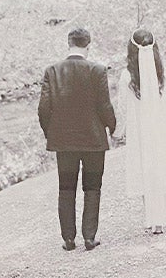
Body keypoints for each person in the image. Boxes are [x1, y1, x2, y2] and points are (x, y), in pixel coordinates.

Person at [38, 28, 116, 251]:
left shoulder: (52, 71)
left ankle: (68, 239)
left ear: (68, 43)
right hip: (93, 140)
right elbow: (104, 105)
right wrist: (112, 127)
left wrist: (50, 133)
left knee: (66, 187)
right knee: (92, 187)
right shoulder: (97, 70)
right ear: (88, 45)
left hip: (64, 141)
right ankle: (89, 237)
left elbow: (43, 109)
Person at [114, 28, 166, 234]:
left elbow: (122, 107)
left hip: (141, 131)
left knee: (145, 167)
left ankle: (153, 218)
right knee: (160, 165)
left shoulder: (126, 76)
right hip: (163, 128)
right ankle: (159, 218)